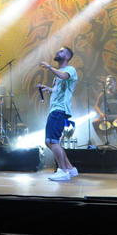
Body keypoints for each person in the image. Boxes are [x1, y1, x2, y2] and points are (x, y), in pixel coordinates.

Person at [38, 46, 79, 181]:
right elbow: (57, 89)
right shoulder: (59, 73)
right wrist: (47, 89)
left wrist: (49, 67)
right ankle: (71, 169)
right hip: (56, 109)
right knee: (53, 142)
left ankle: (62, 171)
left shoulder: (70, 70)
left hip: (59, 110)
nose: (57, 51)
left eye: (61, 51)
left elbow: (63, 76)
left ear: (67, 56)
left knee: (51, 141)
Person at [92, 75, 117, 146]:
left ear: (114, 83)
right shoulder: (103, 94)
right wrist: (102, 115)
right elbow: (96, 107)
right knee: (94, 123)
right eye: (107, 81)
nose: (108, 83)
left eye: (110, 81)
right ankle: (105, 142)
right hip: (107, 116)